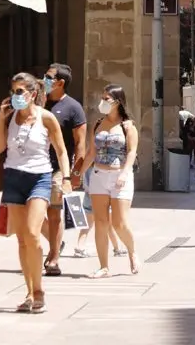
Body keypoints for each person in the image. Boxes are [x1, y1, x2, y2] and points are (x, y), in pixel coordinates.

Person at [0, 72, 73, 314]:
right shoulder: (9, 118)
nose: (15, 96)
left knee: (32, 233)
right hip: (13, 177)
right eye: (13, 91)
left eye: (20, 91)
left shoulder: (46, 118)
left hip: (40, 177)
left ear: (32, 93)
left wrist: (67, 177)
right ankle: (29, 292)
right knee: (21, 239)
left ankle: (39, 290)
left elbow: (61, 150)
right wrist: (0, 119)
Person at [79, 84, 141, 278]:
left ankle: (132, 251)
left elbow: (132, 152)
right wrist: (79, 173)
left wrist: (124, 173)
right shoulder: (98, 124)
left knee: (119, 223)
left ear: (118, 102)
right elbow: (91, 152)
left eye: (107, 99)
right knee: (100, 221)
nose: (102, 102)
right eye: (102, 98)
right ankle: (104, 266)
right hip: (98, 175)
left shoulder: (127, 126)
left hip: (120, 176)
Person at [40, 63, 87, 277]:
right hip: (33, 166)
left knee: (55, 212)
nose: (44, 80)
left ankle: (53, 259)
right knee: (24, 211)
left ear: (60, 83)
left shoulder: (73, 108)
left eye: (49, 77)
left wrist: (75, 173)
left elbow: (80, 143)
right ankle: (54, 242)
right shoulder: (37, 101)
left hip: (58, 167)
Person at [73, 167, 126, 258]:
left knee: (88, 223)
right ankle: (117, 248)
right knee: (108, 224)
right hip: (100, 195)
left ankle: (80, 247)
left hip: (88, 194)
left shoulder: (88, 162)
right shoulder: (99, 162)